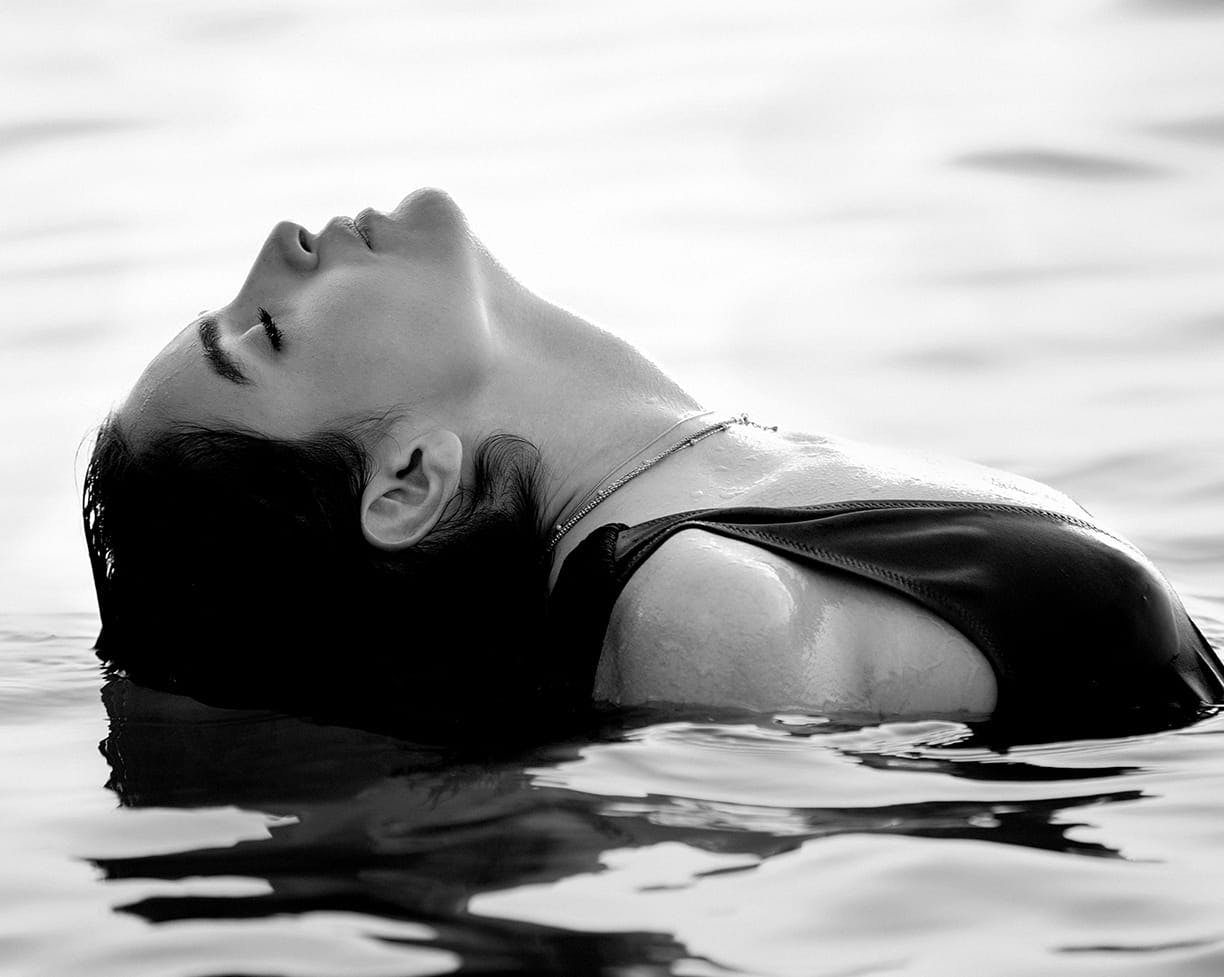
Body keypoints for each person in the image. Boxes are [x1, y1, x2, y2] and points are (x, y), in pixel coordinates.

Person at [82, 188, 1224, 737]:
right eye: (266, 331)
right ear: (406, 481)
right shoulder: (703, 612)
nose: (273, 250)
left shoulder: (734, 489)